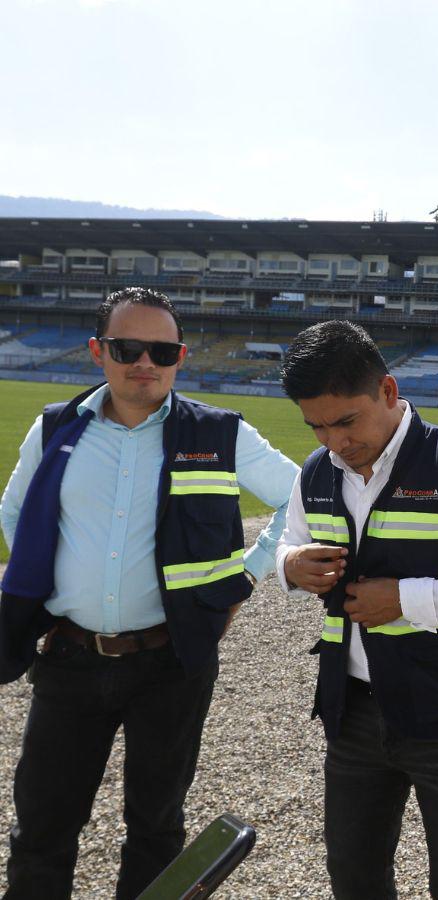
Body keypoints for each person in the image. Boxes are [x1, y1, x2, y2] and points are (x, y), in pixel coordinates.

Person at [0, 287, 298, 900]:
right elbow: (15, 515)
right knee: (42, 827)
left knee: (156, 828)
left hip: (172, 663)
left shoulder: (220, 433)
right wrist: (54, 583)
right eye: (127, 346)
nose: (145, 361)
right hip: (70, 656)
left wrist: (246, 575)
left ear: (180, 358)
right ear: (97, 351)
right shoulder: (55, 427)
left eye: (161, 350)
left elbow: (303, 495)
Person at [275, 321, 438, 900]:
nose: (334, 441)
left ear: (388, 391)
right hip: (350, 710)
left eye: (345, 421)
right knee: (352, 875)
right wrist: (289, 565)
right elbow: (290, 539)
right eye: (317, 426)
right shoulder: (315, 471)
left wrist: (404, 600)